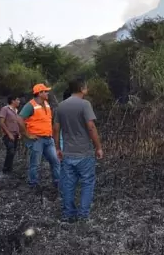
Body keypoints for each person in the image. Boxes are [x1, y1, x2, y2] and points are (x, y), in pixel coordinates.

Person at [53, 78, 103, 222]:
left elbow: (56, 129)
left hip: (67, 152)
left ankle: (68, 214)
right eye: (86, 87)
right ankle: (83, 215)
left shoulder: (60, 106)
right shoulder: (85, 104)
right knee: (87, 182)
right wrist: (98, 147)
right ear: (82, 88)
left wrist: (57, 148)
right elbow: (91, 127)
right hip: (84, 152)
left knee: (68, 185)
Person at [17, 83, 60, 189]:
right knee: (35, 164)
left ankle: (57, 182)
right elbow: (19, 119)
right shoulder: (30, 105)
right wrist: (27, 134)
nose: (47, 93)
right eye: (45, 91)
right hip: (37, 139)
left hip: (48, 139)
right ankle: (33, 184)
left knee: (55, 161)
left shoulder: (46, 104)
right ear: (39, 93)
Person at [0, 95, 21, 174]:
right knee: (10, 151)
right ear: (12, 101)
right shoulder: (5, 109)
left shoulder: (16, 111)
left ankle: (9, 170)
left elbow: (16, 123)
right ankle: (5, 170)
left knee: (13, 152)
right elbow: (1, 122)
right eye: (17, 100)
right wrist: (9, 134)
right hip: (8, 135)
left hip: (16, 135)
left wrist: (19, 133)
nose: (19, 101)